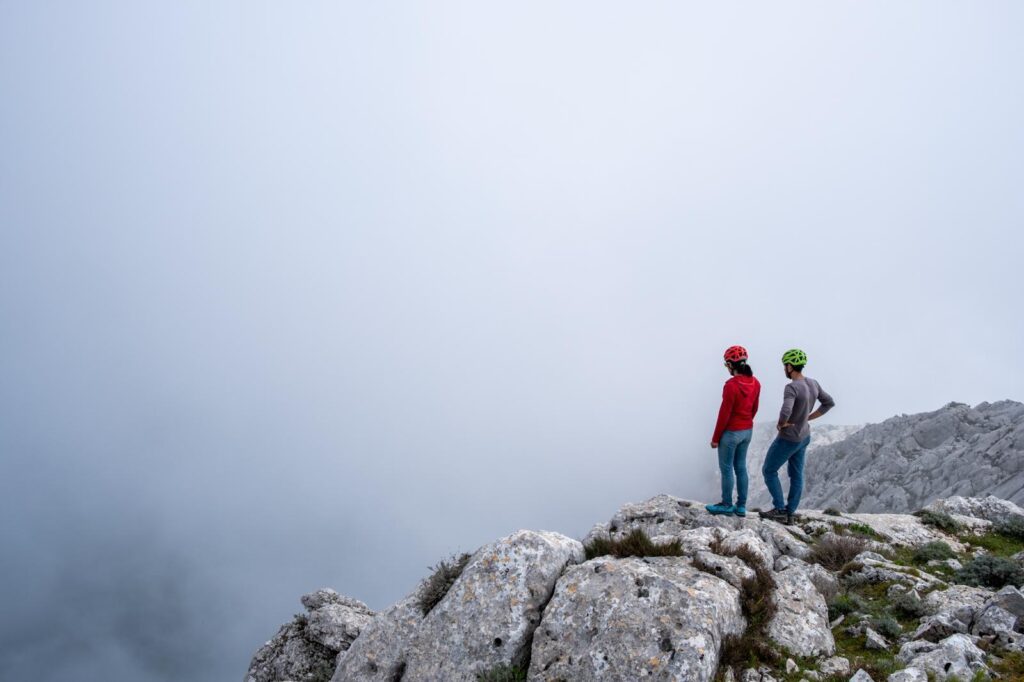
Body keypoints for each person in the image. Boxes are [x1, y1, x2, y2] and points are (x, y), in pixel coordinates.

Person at [759, 348, 835, 525]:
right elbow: (829, 403)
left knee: (769, 470)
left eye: (785, 365)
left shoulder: (792, 387)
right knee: (796, 475)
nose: (784, 369)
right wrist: (809, 417)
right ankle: (790, 512)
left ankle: (779, 509)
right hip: (804, 436)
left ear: (790, 366)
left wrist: (781, 423)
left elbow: (786, 409)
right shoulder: (813, 383)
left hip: (788, 438)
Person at [706, 345, 761, 517]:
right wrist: (747, 422)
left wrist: (715, 438)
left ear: (731, 364)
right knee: (741, 467)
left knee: (727, 469)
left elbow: (724, 414)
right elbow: (755, 408)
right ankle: (741, 506)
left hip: (731, 433)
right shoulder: (755, 382)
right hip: (747, 431)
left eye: (726, 365)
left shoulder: (731, 385)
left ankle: (727, 504)